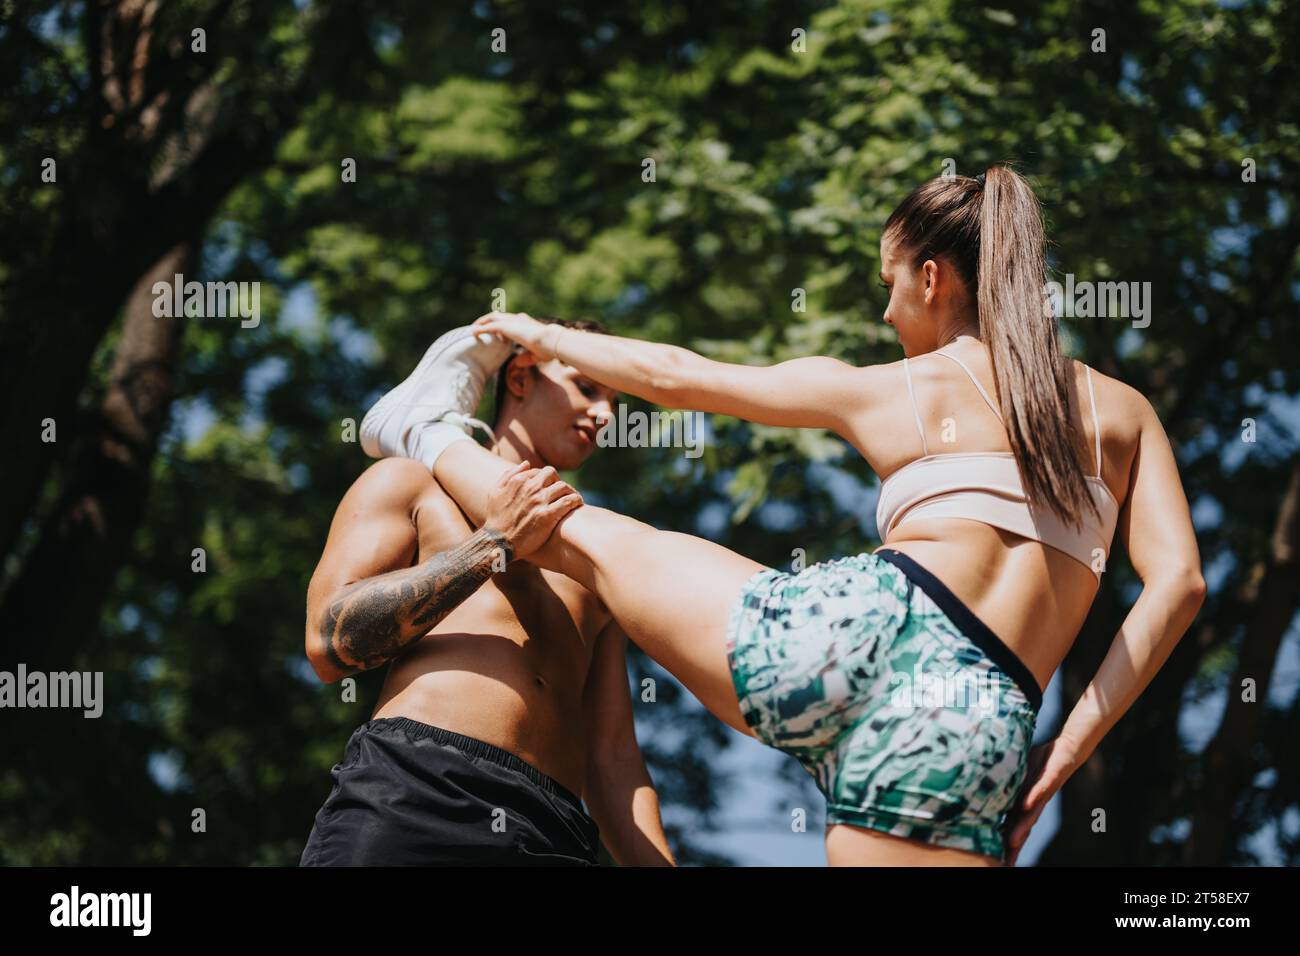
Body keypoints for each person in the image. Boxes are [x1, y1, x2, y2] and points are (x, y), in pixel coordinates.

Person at [362, 165, 1206, 866]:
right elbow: (1180, 586)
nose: (886, 314)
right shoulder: (1123, 413)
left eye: (888, 286)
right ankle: (430, 432)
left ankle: (429, 433)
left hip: (852, 633)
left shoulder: (889, 388)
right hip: (979, 714)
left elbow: (678, 376)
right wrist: (1065, 751)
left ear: (931, 277)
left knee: (597, 539)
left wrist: (538, 331)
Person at [300, 320, 674, 866]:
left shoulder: (597, 558)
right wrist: (491, 544)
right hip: (416, 788)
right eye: (588, 388)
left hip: (557, 829)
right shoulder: (413, 483)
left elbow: (611, 756)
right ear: (521, 378)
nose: (605, 415)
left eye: (616, 402)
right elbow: (327, 644)